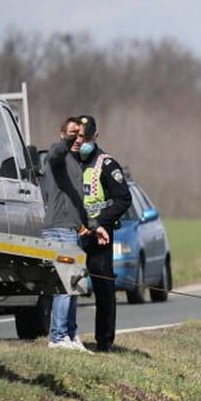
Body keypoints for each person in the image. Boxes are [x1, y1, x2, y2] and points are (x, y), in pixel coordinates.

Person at [73, 114, 132, 353]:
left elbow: (123, 199)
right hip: (73, 230)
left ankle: (104, 340)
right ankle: (65, 335)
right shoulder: (69, 161)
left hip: (99, 234)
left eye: (86, 137)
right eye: (78, 136)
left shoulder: (106, 164)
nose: (81, 141)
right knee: (67, 284)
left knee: (103, 286)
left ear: (95, 137)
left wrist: (100, 222)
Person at [40, 117, 91, 351]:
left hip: (71, 228)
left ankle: (70, 335)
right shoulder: (58, 156)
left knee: (74, 284)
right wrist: (69, 138)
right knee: (66, 284)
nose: (78, 139)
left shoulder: (75, 162)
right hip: (59, 229)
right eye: (73, 134)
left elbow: (78, 201)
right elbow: (56, 151)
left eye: (81, 135)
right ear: (63, 134)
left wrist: (92, 226)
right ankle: (58, 337)